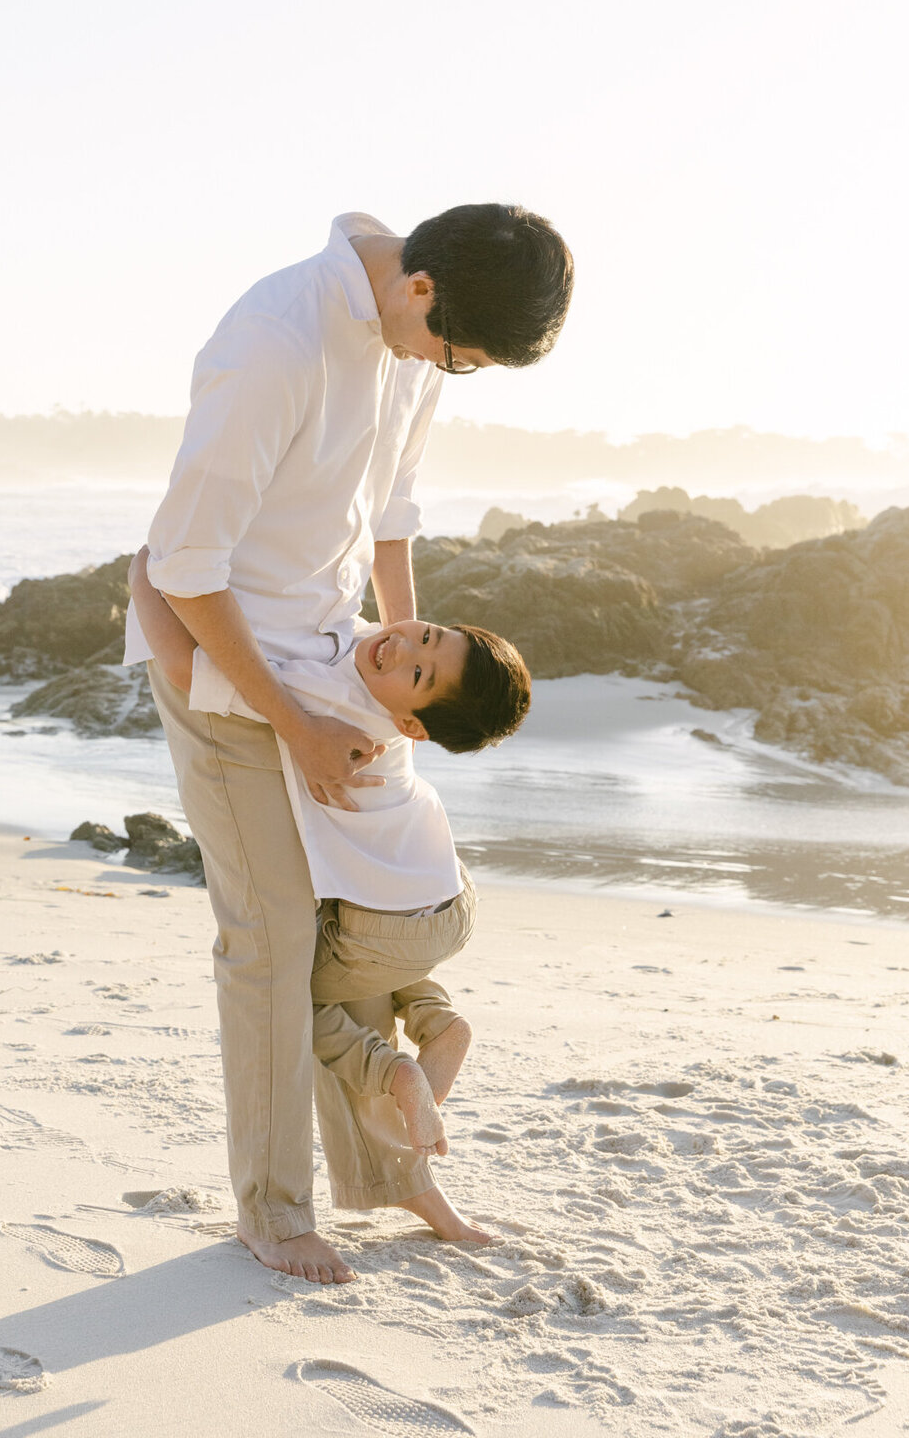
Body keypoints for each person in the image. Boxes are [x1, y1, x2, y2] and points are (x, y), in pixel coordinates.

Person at [122, 205, 572, 1284]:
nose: (450, 371)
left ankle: (393, 1174)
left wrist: (398, 679)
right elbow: (184, 565)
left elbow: (394, 514)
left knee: (356, 932)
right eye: (458, 355)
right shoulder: (277, 340)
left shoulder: (413, 338)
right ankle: (272, 1213)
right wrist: (297, 721)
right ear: (420, 290)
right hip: (229, 671)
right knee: (273, 940)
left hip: (338, 669)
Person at [128, 549, 530, 1219]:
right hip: (444, 900)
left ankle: (392, 1068)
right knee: (374, 959)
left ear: (410, 727)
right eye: (424, 634)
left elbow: (181, 667)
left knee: (283, 995)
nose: (399, 647)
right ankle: (435, 1019)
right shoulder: (374, 669)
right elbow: (388, 609)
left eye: (420, 673)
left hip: (383, 924)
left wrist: (145, 577)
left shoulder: (329, 700)